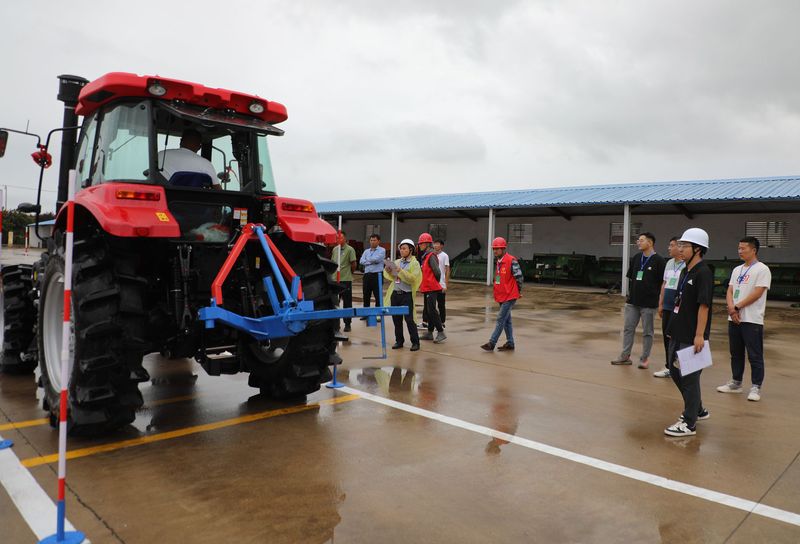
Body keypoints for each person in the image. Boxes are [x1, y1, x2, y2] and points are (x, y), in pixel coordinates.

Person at [663, 228, 713, 437]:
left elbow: (704, 306)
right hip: (678, 331)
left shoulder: (703, 273)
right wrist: (671, 328)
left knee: (689, 378)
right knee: (674, 371)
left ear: (697, 249)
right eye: (680, 245)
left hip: (693, 335)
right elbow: (680, 302)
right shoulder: (685, 271)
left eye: (684, 246)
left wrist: (699, 335)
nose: (680, 249)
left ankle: (689, 423)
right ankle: (698, 408)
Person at [717, 236, 772, 402]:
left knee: (754, 355)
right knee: (736, 353)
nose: (740, 251)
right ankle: (736, 382)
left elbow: (758, 293)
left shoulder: (762, 269)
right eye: (739, 248)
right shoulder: (737, 269)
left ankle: (756, 386)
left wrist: (737, 307)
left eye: (743, 248)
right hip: (734, 318)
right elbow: (730, 290)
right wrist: (731, 308)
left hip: (752, 319)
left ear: (753, 250)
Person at [611, 232, 666, 369]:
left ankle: (644, 358)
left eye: (641, 240)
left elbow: (663, 282)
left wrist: (660, 300)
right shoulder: (636, 258)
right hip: (633, 302)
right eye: (638, 240)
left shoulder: (659, 261)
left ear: (650, 243)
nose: (638, 242)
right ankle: (625, 356)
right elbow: (632, 277)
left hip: (649, 303)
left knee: (647, 332)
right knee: (628, 329)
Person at [481, 237, 523, 351]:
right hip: (502, 295)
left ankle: (492, 343)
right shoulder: (499, 262)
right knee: (507, 321)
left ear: (503, 249)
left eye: (497, 249)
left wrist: (518, 291)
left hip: (510, 295)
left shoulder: (511, 260)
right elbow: (499, 279)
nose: (495, 251)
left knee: (500, 319)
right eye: (494, 249)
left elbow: (519, 277)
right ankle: (510, 343)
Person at [654, 237, 685, 378]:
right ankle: (669, 366)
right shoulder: (669, 263)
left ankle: (680, 366)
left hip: (679, 307)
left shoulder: (686, 265)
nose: (669, 248)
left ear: (680, 247)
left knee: (678, 338)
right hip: (666, 306)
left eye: (671, 245)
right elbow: (664, 284)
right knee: (667, 337)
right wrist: (660, 303)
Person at [383, 239, 422, 351]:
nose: (402, 250)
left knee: (409, 320)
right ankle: (399, 341)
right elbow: (392, 277)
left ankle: (415, 342)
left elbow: (413, 279)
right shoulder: (397, 262)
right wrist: (388, 270)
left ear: (411, 250)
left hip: (406, 295)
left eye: (404, 248)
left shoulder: (415, 263)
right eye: (401, 248)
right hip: (395, 294)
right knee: (396, 319)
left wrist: (401, 271)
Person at [417, 233, 446, 343]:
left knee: (432, 310)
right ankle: (429, 333)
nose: (420, 245)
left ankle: (440, 332)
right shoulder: (425, 256)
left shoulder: (431, 256)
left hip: (431, 287)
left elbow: (437, 272)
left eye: (421, 243)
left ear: (427, 244)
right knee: (429, 311)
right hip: (427, 287)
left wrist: (434, 283)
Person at [331, 231, 357, 332]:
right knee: (334, 302)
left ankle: (347, 323)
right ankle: (335, 324)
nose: (339, 240)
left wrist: (349, 273)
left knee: (347, 302)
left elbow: (353, 264)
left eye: (341, 238)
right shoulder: (335, 249)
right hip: (335, 279)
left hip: (345, 279)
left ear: (345, 239)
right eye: (337, 238)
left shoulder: (350, 249)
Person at [359, 234, 386, 318]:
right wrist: (371, 261)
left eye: (374, 240)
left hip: (377, 275)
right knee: (366, 295)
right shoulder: (366, 251)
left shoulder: (382, 250)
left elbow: (377, 259)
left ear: (378, 241)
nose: (372, 242)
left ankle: (378, 314)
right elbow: (361, 261)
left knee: (378, 296)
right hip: (367, 275)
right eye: (371, 240)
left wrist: (367, 261)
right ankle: (366, 314)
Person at [433, 239, 450, 327]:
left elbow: (447, 270)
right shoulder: (431, 255)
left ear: (441, 246)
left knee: (441, 305)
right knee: (431, 305)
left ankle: (442, 322)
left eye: (437, 244)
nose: (435, 245)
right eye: (434, 244)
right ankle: (429, 322)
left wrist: (446, 284)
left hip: (441, 284)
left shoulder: (444, 256)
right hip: (432, 284)